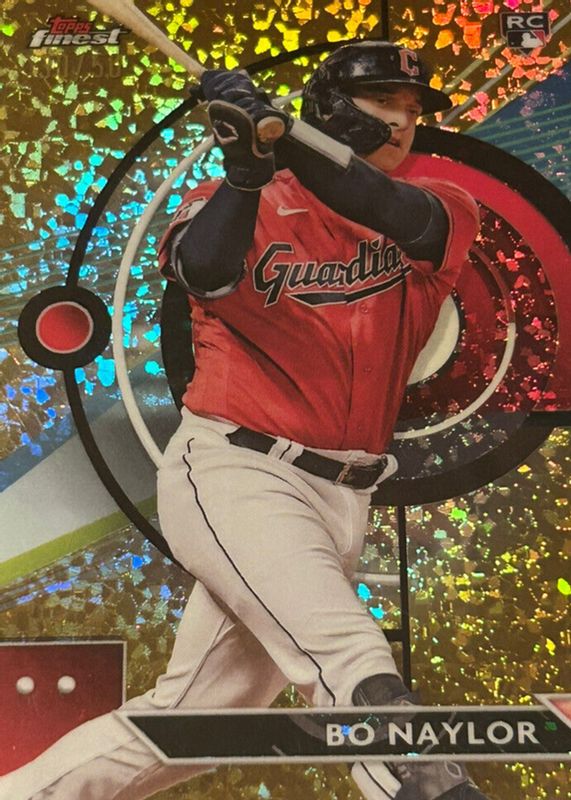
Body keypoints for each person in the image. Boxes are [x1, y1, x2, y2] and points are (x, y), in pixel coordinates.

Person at [0, 41, 488, 800]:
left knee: (190, 725)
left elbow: (378, 204)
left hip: (343, 494)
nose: (402, 121)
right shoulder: (236, 199)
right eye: (383, 102)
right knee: (352, 663)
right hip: (239, 470)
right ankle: (425, 785)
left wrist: (287, 134)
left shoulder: (444, 208)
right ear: (331, 107)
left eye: (413, 108)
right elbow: (202, 270)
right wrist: (246, 172)